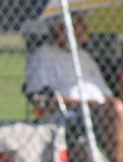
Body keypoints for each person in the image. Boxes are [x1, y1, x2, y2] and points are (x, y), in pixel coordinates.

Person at [25, 13, 123, 162]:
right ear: (60, 28)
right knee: (115, 109)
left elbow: (106, 93)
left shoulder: (84, 57)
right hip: (72, 115)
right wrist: (85, 104)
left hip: (101, 109)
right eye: (79, 23)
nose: (86, 28)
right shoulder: (43, 56)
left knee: (115, 107)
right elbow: (41, 97)